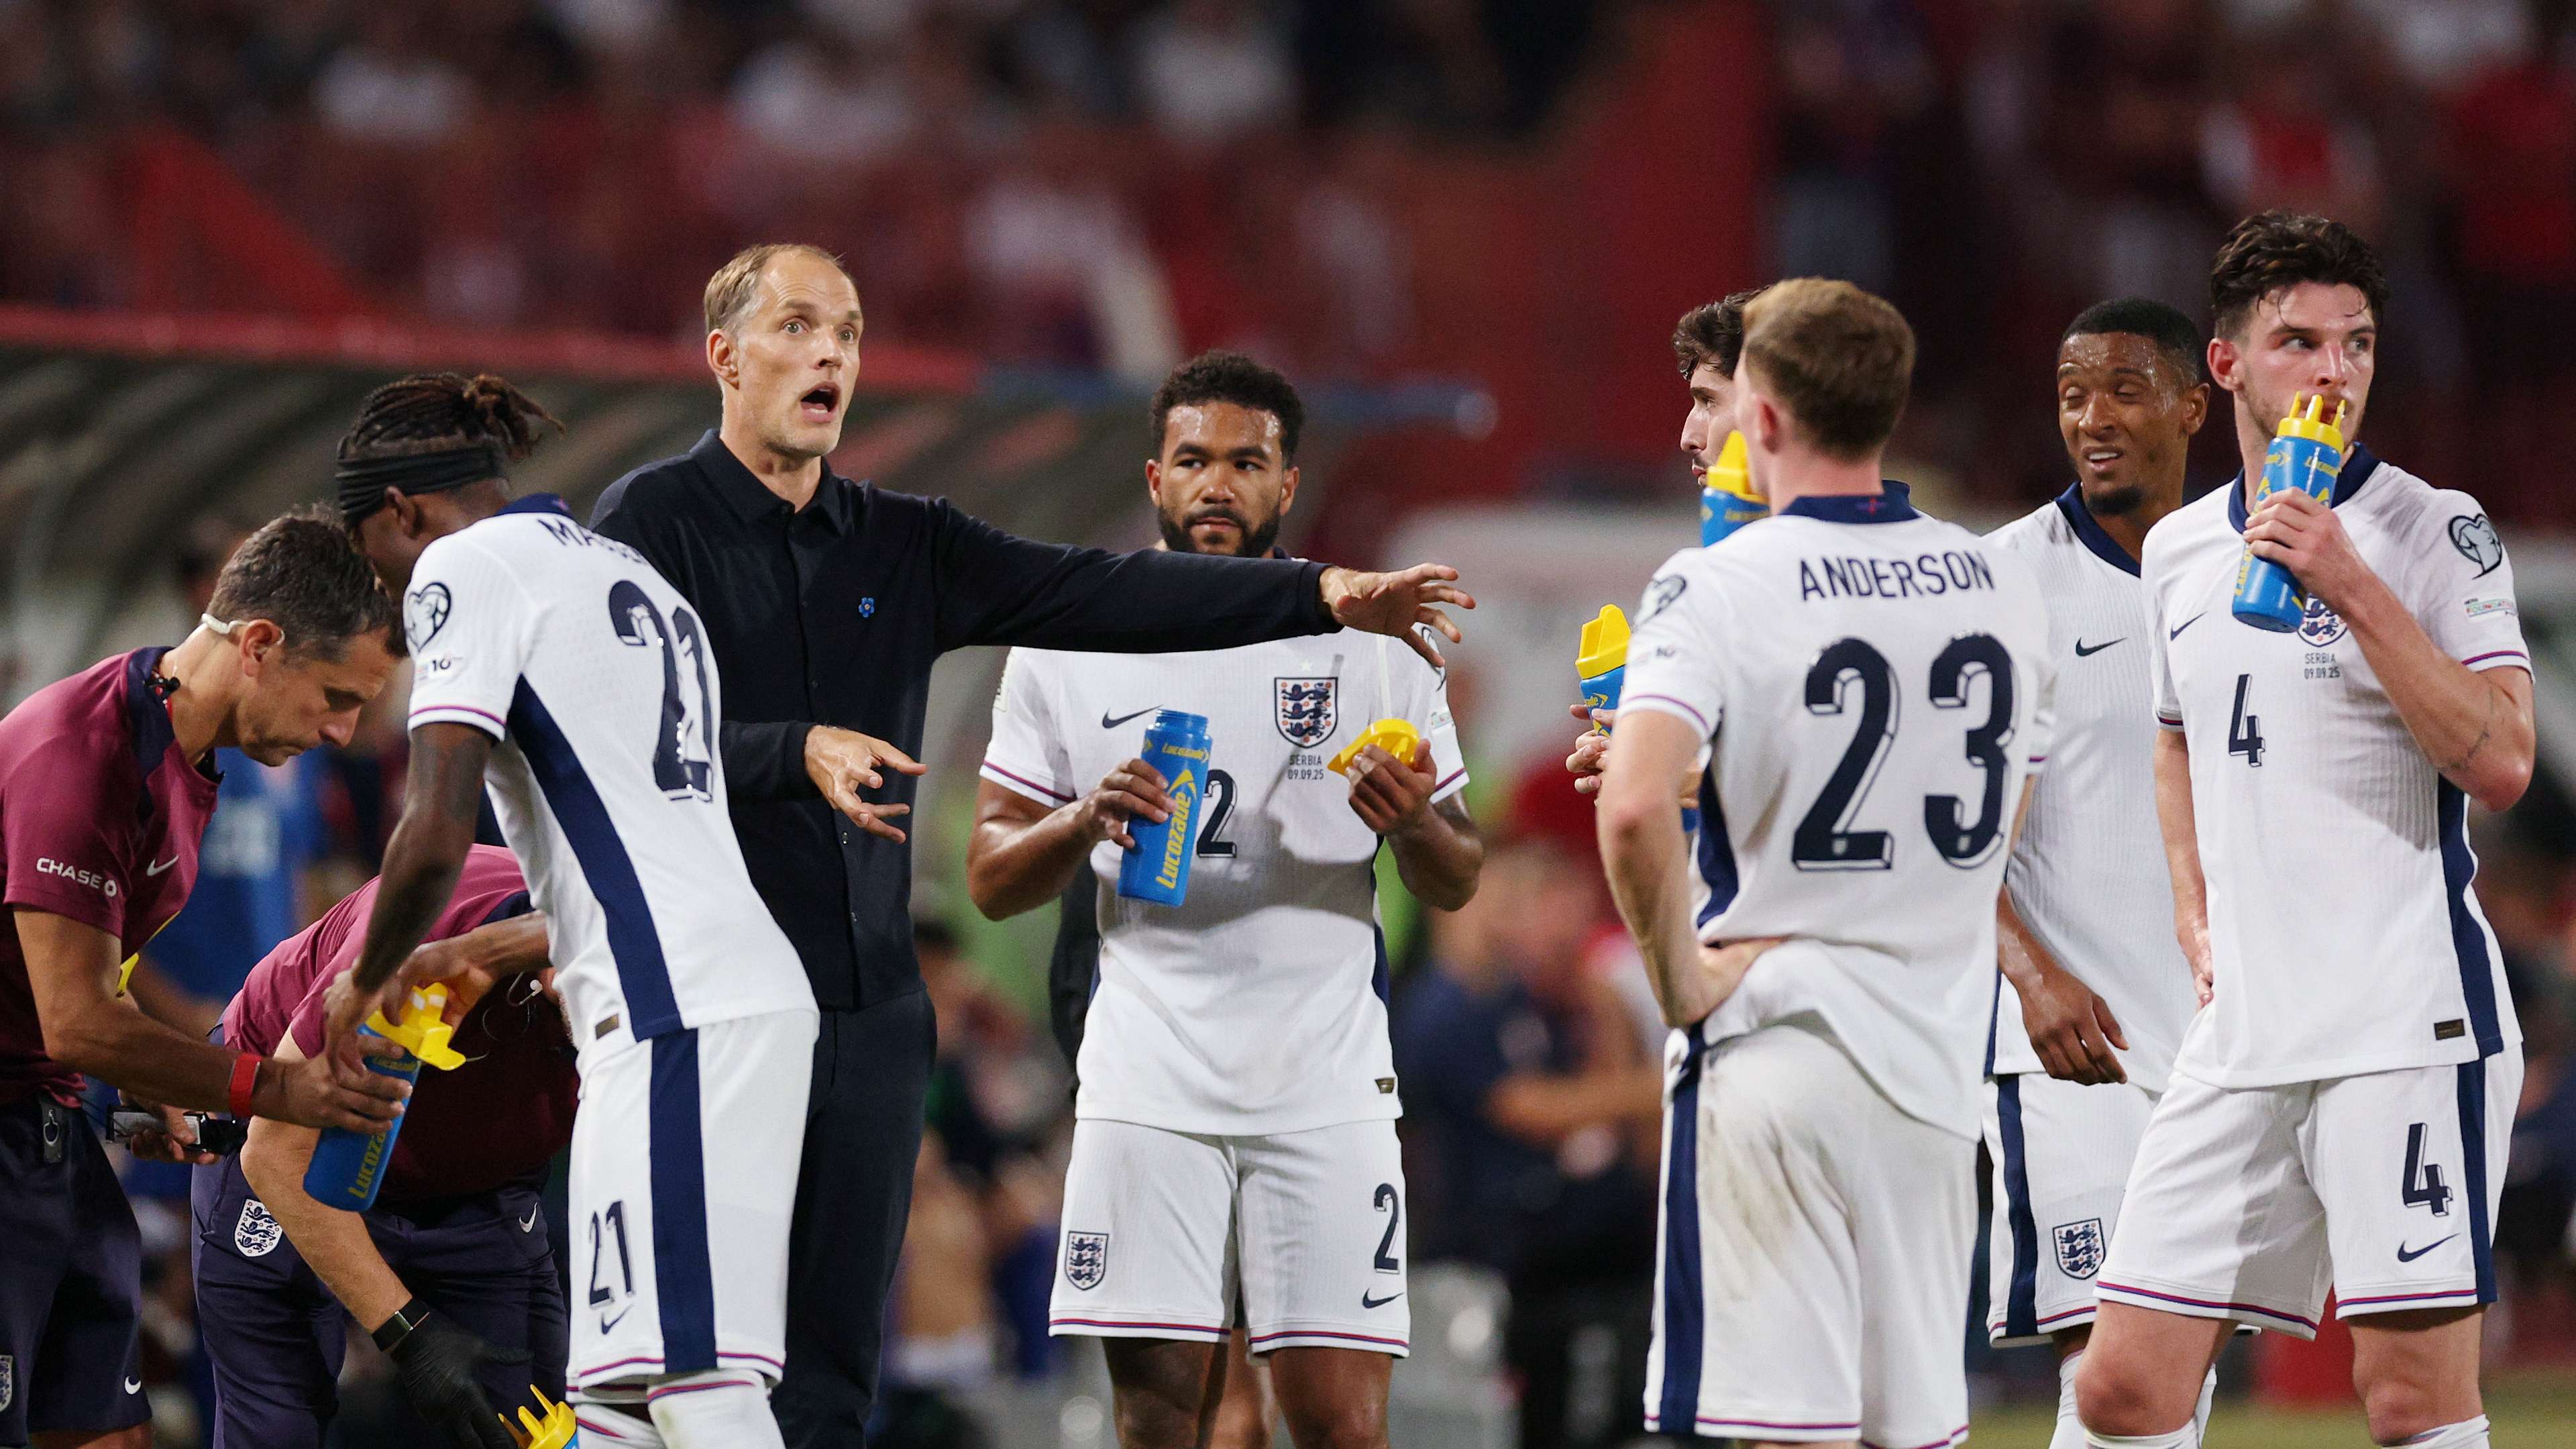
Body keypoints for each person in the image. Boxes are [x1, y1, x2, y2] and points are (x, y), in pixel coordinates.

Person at [586, 244, 1474, 1447]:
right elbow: (607, 738)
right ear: (725, 356)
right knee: (680, 1361)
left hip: (869, 1012)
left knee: (835, 1365)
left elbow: (1109, 590)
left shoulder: (907, 541)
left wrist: (1320, 598)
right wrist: (787, 749)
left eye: (848, 330)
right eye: (800, 326)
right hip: (710, 998)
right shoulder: (648, 520)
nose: (832, 353)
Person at [965, 351, 1483, 1449]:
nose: (1217, 484)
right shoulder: (1065, 640)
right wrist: (1079, 818)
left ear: (1288, 485)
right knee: (1168, 1421)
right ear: (1153, 477)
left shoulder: (1373, 641)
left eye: (1246, 463)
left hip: (1328, 1086)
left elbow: (1459, 874)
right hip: (1148, 1085)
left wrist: (1416, 825)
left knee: (1341, 1424)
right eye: (1194, 460)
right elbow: (991, 876)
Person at [2075, 215, 2534, 1448]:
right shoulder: (2176, 549)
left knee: (2407, 1401)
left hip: (2405, 1019)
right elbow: (2174, 734)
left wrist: (2350, 582)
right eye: (2298, 343)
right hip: (2245, 1032)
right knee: (2121, 1388)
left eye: (2357, 343)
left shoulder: (2439, 531)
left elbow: (2502, 758)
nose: (2334, 371)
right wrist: (2189, 903)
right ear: (2226, 367)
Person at [1593, 278, 2054, 1449]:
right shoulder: (1998, 576)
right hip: (1938, 1078)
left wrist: (1681, 985)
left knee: (1773, 1433)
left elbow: (1633, 805)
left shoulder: (1718, 584)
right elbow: (2009, 799)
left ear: (1767, 416)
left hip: (1777, 1055)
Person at [325, 373, 820, 1449]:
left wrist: (361, 982)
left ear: (404, 511)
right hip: (680, 1007)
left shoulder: (461, 567)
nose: (381, 586)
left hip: (677, 1015)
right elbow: (639, 845)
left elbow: (436, 827)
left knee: (700, 1387)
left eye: (371, 550)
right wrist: (487, 944)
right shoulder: (623, 570)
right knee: (615, 1403)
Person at [0, 511, 412, 1449]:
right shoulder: (84, 753)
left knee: (111, 1431)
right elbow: (74, 1018)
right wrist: (280, 1091)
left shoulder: (189, 754)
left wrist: (159, 1081)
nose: (345, 730)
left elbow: (90, 967)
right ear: (261, 644)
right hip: (18, 1114)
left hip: (46, 1125)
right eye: (335, 695)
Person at [1978, 299, 2212, 1449]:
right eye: (2073, 394)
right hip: (2073, 1049)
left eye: (2123, 389)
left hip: (2221, 1043)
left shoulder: (2244, 572)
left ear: (2191, 405)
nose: (2092, 417)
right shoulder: (2007, 581)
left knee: (2174, 1377)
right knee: (2111, 1372)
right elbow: (1952, 829)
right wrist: (2031, 978)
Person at [196, 843, 572, 1449]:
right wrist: (409, 1335)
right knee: (276, 1430)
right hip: (291, 1145)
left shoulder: (678, 1028)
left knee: (540, 1431)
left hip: (477, 1178)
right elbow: (274, 1156)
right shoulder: (435, 928)